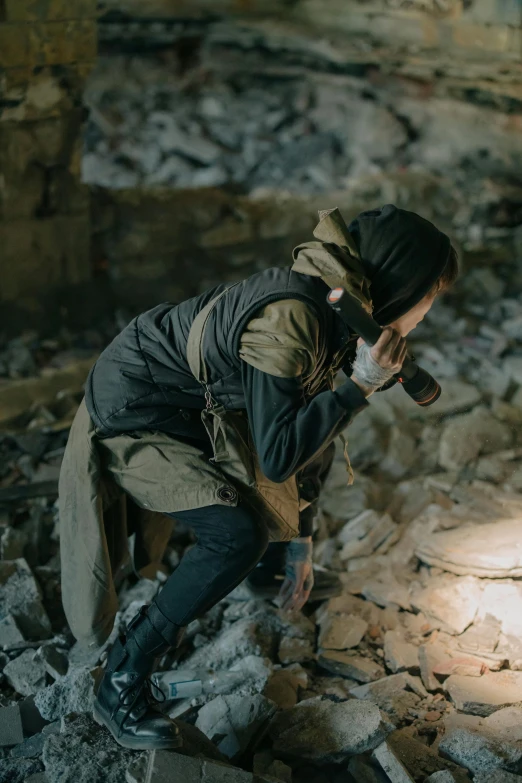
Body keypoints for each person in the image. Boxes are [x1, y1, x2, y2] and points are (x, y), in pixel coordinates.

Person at [60, 204, 458, 750]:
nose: (425, 316)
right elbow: (277, 456)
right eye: (428, 301)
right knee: (234, 533)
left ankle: (267, 572)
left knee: (264, 509)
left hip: (198, 403)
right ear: (402, 283)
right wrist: (359, 386)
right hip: (138, 405)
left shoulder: (343, 313)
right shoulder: (297, 316)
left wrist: (301, 540)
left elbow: (309, 436)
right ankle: (123, 676)